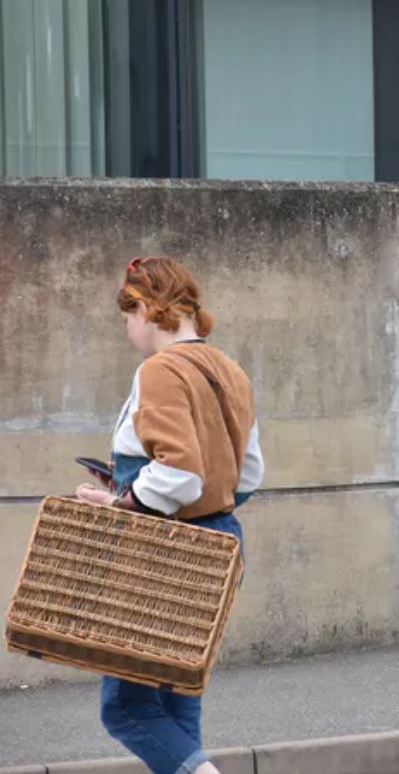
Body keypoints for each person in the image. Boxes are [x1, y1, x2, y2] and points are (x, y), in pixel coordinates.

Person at [75, 256, 264, 774]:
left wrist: (122, 501)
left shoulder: (159, 370)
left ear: (142, 308)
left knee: (127, 708)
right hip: (222, 545)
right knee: (179, 699)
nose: (128, 329)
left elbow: (181, 475)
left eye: (127, 316)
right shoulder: (229, 369)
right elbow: (247, 475)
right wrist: (200, 508)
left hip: (162, 552)